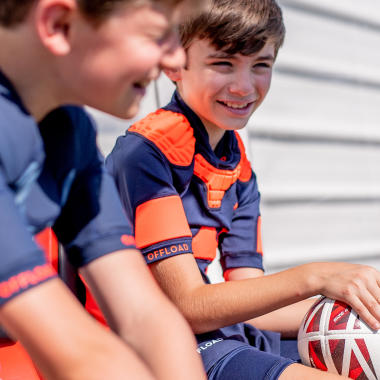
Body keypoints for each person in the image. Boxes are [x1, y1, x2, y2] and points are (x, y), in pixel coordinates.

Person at [106, 0, 380, 379]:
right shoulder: (146, 154)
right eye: (223, 63)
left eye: (261, 65)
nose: (244, 86)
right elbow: (185, 304)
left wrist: (363, 308)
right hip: (149, 343)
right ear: (173, 63)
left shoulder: (237, 163)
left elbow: (251, 298)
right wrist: (317, 275)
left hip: (213, 333)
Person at [0, 0, 208, 379]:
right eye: (157, 35)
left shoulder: (67, 131)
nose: (176, 60)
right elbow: (78, 353)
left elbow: (145, 315)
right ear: (60, 24)